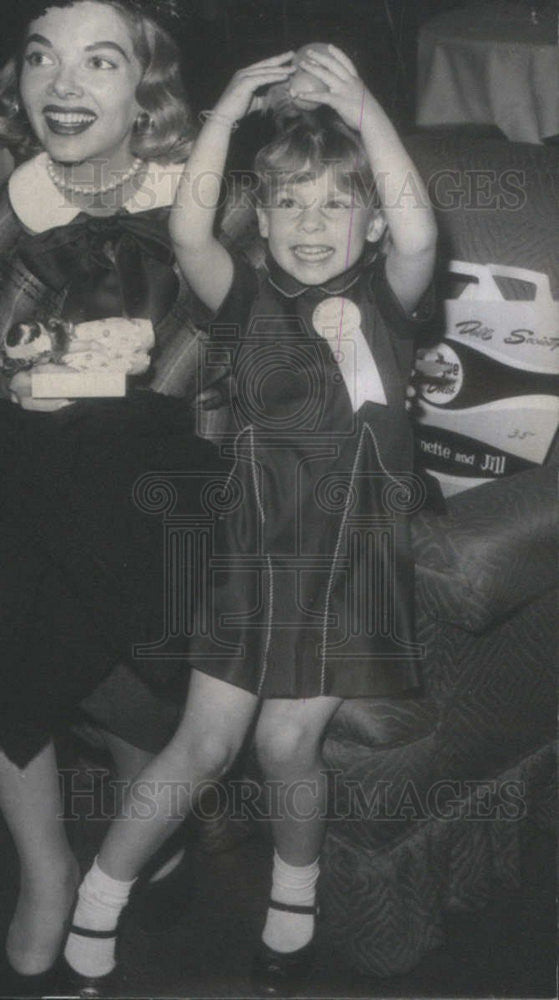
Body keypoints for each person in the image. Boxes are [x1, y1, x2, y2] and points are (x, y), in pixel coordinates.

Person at [62, 44, 438, 996]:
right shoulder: (247, 298)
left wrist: (360, 102)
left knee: (284, 745)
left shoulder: (389, 302)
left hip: (353, 561)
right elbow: (189, 235)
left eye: (335, 202)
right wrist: (226, 107)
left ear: (366, 216)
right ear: (262, 218)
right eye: (289, 203)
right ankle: (90, 917)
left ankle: (292, 906)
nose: (313, 223)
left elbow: (419, 226)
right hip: (251, 554)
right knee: (204, 742)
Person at [0, 0, 222, 991]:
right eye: (41, 58)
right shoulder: (13, 195)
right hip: (30, 463)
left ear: (146, 94)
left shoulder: (198, 197)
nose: (64, 84)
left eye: (99, 62)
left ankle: (146, 823)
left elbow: (180, 367)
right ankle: (48, 871)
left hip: (159, 464)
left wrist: (60, 369)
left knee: (111, 528)